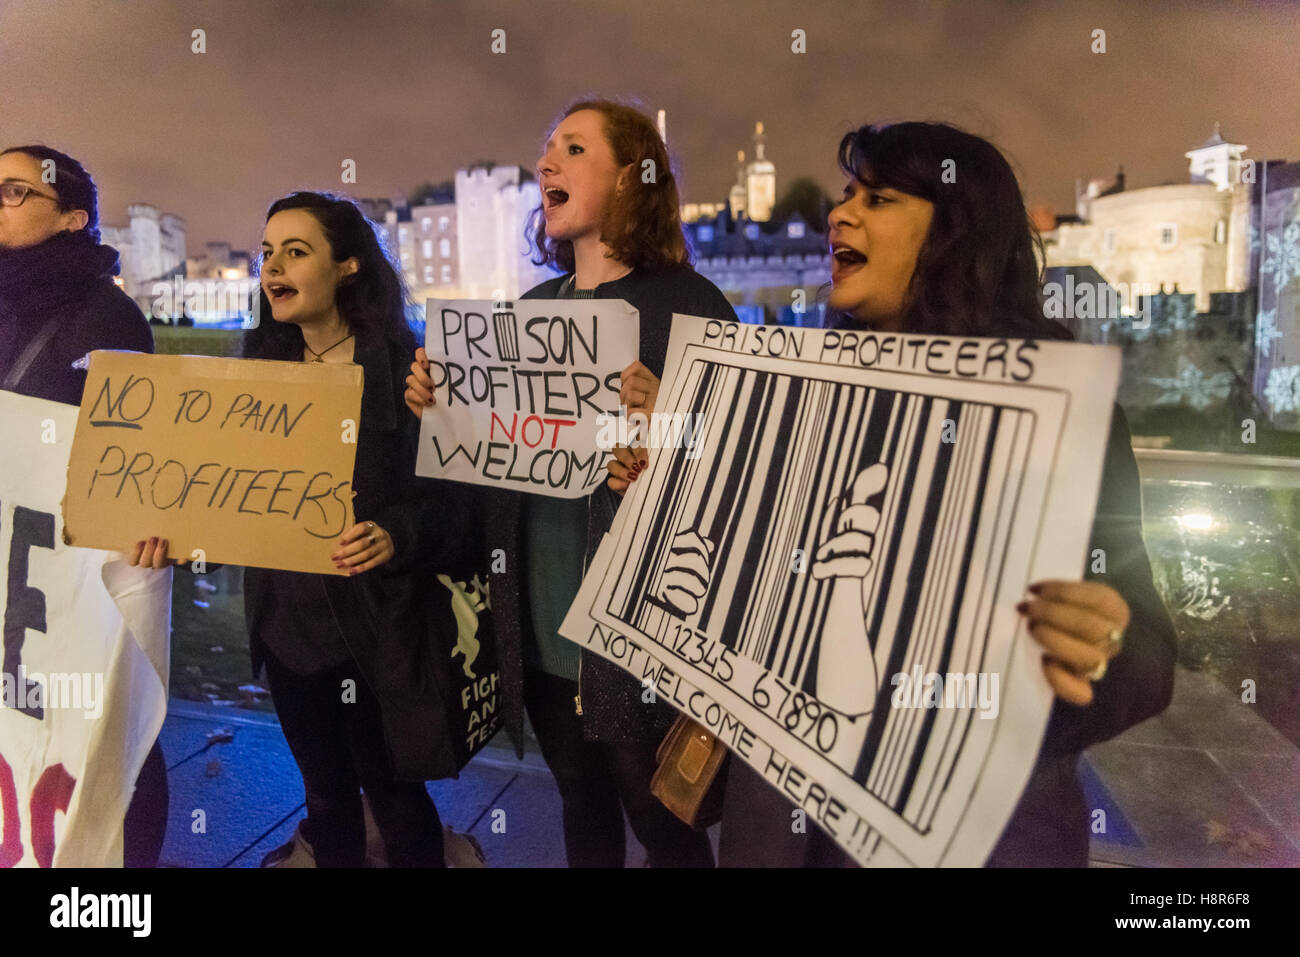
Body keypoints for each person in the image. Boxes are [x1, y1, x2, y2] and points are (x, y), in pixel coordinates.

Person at [704, 121, 1178, 867]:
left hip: (975, 833)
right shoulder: (802, 407)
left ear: (955, 233)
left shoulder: (1062, 417)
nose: (839, 214)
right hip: (788, 827)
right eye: (846, 193)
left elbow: (1147, 657)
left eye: (879, 197)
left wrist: (1098, 647)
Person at [406, 99, 737, 867]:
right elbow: (490, 462)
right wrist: (439, 411)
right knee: (581, 808)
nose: (545, 165)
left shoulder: (692, 303)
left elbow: (746, 469)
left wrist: (675, 424)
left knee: (665, 829)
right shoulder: (529, 313)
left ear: (632, 178)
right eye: (545, 150)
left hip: (638, 636)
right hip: (541, 628)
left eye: (573, 150)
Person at [137, 191, 477, 867]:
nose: (272, 267)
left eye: (296, 251)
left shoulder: (412, 370)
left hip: (376, 631)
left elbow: (459, 509)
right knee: (324, 802)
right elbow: (215, 492)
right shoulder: (255, 373)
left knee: (398, 801)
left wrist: (393, 534)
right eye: (266, 252)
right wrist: (169, 538)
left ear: (348, 265)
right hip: (286, 631)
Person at [0, 145, 168, 868]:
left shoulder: (110, 317)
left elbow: (140, 449)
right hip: (14, 567)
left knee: (110, 720)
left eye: (12, 190)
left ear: (73, 216)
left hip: (79, 569)